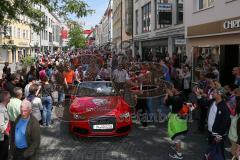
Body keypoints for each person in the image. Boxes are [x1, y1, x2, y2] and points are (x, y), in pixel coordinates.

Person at [207, 87, 231, 159]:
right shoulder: (213, 101)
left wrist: (219, 135)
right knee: (213, 150)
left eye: (214, 92)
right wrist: (199, 95)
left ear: (219, 94)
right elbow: (204, 103)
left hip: (218, 135)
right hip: (211, 131)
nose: (212, 93)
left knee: (219, 152)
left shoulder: (224, 106)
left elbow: (226, 122)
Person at [165, 88, 187, 159]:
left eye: (173, 89)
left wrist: (168, 94)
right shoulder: (182, 96)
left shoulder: (174, 98)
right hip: (181, 119)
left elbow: (165, 102)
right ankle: (177, 147)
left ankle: (179, 155)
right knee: (178, 135)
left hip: (176, 119)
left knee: (177, 137)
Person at [0, 91, 11, 160]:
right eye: (9, 97)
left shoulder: (3, 107)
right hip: (3, 136)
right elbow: (0, 125)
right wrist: (7, 133)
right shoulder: (1, 109)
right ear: (6, 98)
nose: (10, 98)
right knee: (3, 154)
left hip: (4, 135)